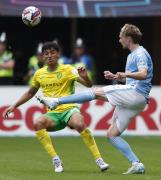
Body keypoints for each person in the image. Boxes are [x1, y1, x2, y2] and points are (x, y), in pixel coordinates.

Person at [37, 24, 153, 174]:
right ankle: (136, 163)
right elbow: (135, 80)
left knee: (95, 92)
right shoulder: (132, 55)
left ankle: (56, 101)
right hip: (136, 99)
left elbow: (143, 74)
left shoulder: (139, 53)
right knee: (112, 135)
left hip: (136, 94)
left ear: (128, 38)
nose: (119, 39)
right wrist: (117, 77)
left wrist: (125, 74)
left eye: (121, 36)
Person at [3, 42, 109, 173]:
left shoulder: (68, 69)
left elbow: (88, 85)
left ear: (58, 54)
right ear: (42, 57)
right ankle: (56, 160)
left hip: (69, 109)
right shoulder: (39, 74)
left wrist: (85, 77)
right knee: (37, 123)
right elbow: (30, 93)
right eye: (46, 53)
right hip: (53, 115)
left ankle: (99, 160)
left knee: (79, 123)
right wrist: (14, 106)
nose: (49, 56)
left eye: (52, 52)